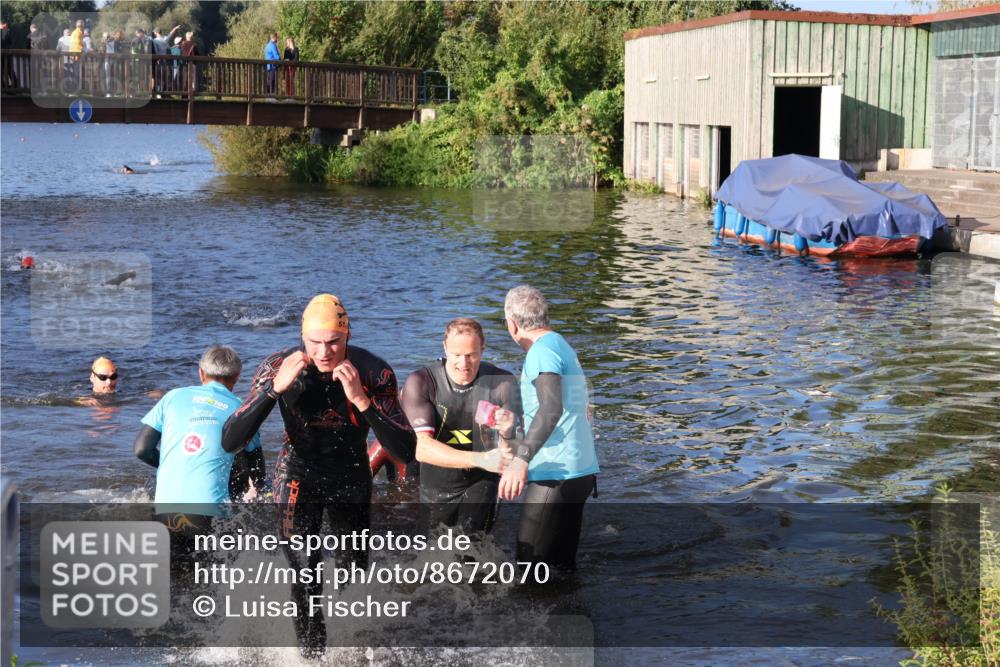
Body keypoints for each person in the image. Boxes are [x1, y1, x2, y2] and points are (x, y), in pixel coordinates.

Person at [222, 293, 415, 658]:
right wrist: (274, 390)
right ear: (301, 337)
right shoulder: (277, 366)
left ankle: (351, 652)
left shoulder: (373, 371)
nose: (324, 352)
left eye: (334, 342)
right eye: (315, 343)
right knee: (304, 571)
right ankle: (312, 660)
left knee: (352, 575)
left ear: (348, 335)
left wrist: (361, 400)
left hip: (350, 475)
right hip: (297, 474)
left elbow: (406, 451)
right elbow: (231, 441)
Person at [497, 285, 599, 573]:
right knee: (561, 568)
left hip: (556, 474)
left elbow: (551, 409)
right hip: (579, 471)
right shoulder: (559, 344)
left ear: (512, 324)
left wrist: (521, 460)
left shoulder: (540, 352)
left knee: (528, 568)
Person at [134, 346, 264, 555]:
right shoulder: (242, 409)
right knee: (215, 574)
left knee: (172, 573)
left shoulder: (172, 396)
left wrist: (178, 464)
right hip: (209, 515)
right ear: (237, 376)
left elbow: (141, 449)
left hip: (164, 511)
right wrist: (256, 491)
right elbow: (256, 465)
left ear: (201, 373)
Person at [402, 318, 520, 534]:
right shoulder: (422, 382)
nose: (464, 364)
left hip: (482, 479)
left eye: (471, 355)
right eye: (456, 355)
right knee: (431, 551)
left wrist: (507, 432)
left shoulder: (502, 382)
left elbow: (510, 453)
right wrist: (481, 459)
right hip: (437, 483)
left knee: (471, 546)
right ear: (445, 348)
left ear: (483, 349)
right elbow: (423, 450)